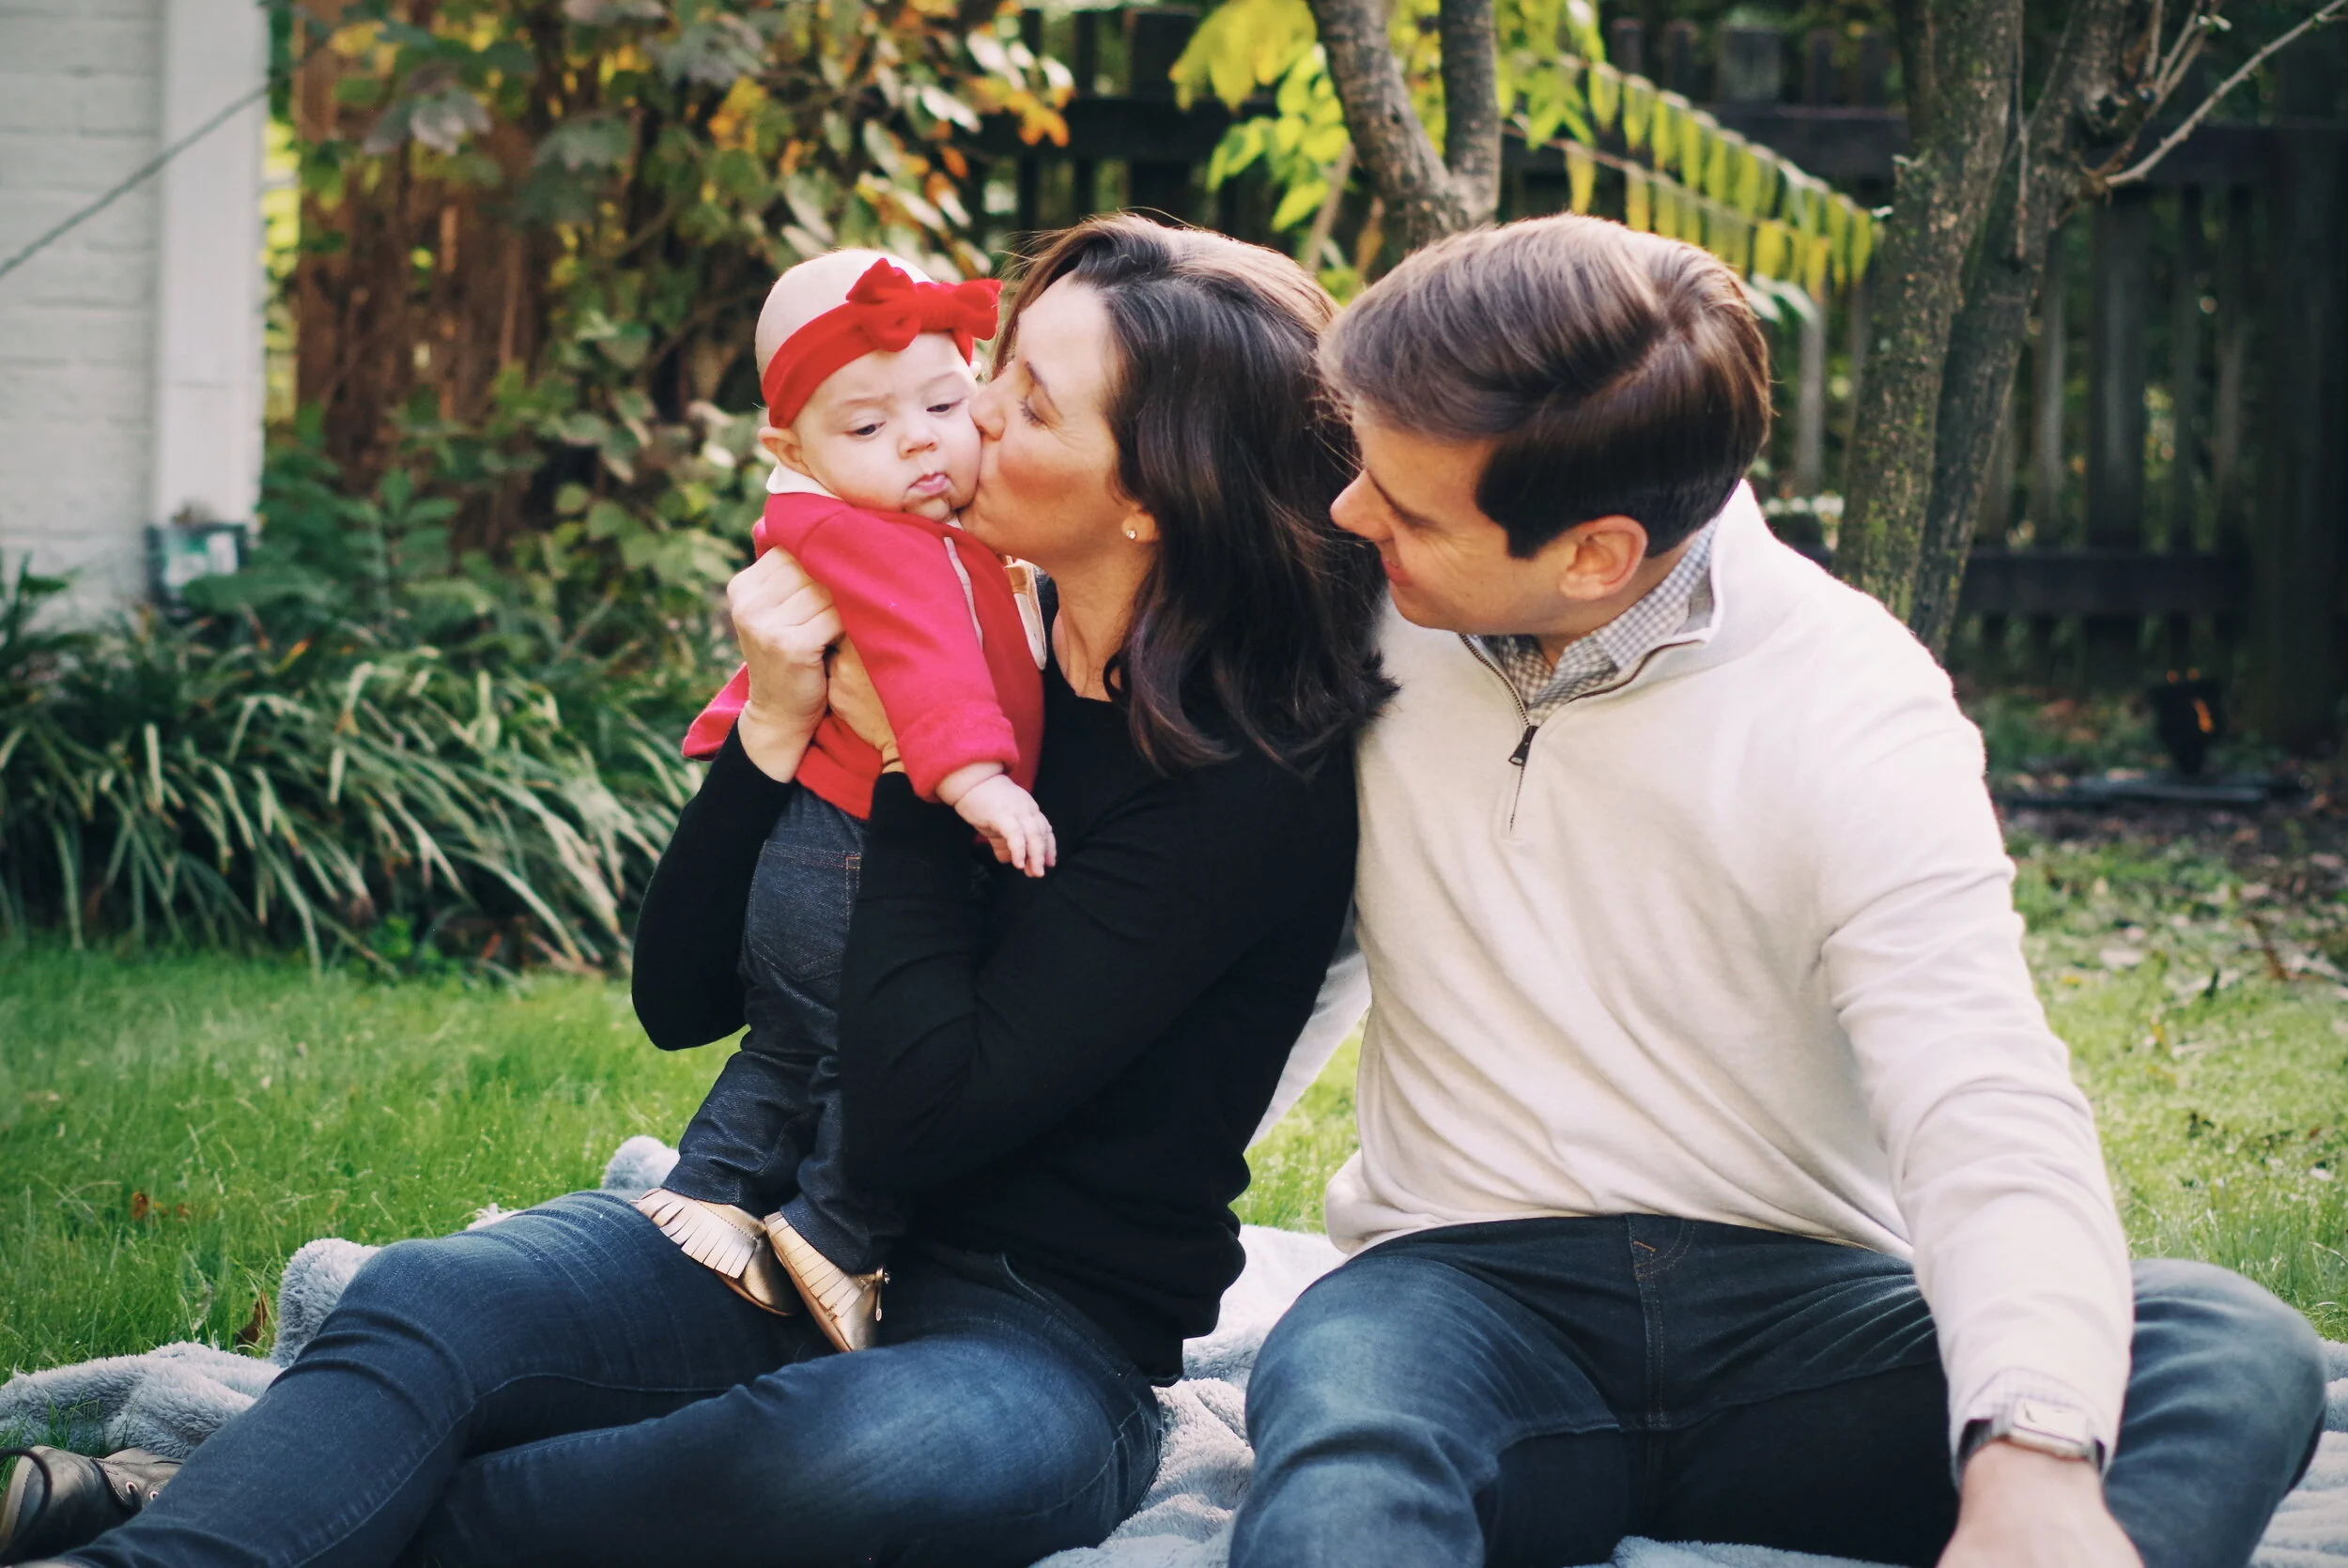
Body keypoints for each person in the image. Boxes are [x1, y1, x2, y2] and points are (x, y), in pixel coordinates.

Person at [0, 214, 1390, 1568]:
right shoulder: (953, 625)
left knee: (844, 1461)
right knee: (434, 1295)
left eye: (1026, 402)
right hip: (768, 1238)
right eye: (997, 369)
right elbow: (681, 996)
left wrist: (914, 766)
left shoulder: (1246, 777)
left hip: (1034, 1334)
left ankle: (225, 1508)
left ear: (1152, 492)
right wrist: (778, 725)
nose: (963, 416)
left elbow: (921, 1117)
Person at [1232, 214, 2328, 1568]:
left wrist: (2033, 1453)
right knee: (1346, 1422)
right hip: (1458, 1304)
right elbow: (1283, 948)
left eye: (1404, 508)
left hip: (1807, 1321)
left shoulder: (1856, 707)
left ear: (1594, 555)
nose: (1351, 514)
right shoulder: (1377, 613)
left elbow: (1978, 1090)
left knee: (2231, 1346)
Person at [643, 247, 1053, 1352]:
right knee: (863, 1049)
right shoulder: (873, 540)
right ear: (792, 453)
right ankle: (836, 1228)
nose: (918, 440)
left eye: (942, 403)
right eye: (867, 425)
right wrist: (974, 778)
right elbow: (924, 665)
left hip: (810, 851)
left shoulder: (927, 530)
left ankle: (708, 1195)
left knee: (791, 1050)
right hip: (852, 854)